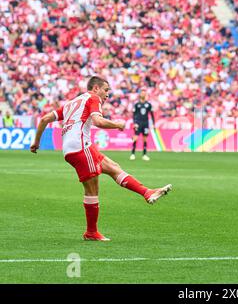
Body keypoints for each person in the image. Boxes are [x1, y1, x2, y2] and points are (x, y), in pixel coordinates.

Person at [30, 76, 172, 241]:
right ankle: (91, 232)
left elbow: (45, 119)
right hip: (80, 147)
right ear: (96, 88)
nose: (107, 96)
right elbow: (97, 121)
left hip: (73, 148)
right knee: (92, 190)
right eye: (106, 90)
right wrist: (117, 124)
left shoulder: (72, 102)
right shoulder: (93, 98)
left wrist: (36, 142)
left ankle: (146, 192)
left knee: (113, 167)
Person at [130, 90, 155, 161]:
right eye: (142, 93)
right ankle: (133, 154)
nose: (143, 94)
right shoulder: (137, 104)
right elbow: (134, 115)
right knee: (135, 138)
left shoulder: (148, 104)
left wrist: (153, 124)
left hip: (145, 123)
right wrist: (135, 123)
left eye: (144, 93)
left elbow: (152, 115)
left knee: (145, 139)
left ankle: (144, 154)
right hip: (138, 123)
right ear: (140, 95)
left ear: (146, 95)